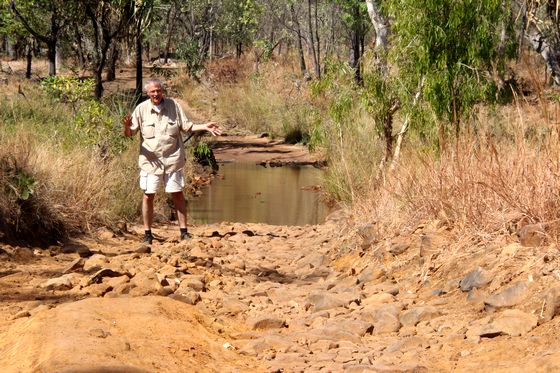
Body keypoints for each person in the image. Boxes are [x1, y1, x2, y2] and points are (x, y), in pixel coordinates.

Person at [123, 79, 221, 244]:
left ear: (162, 91)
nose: (156, 94)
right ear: (148, 93)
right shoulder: (141, 109)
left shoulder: (173, 106)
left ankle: (184, 232)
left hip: (173, 159)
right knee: (148, 196)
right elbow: (129, 133)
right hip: (150, 162)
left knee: (177, 194)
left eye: (159, 91)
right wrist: (126, 126)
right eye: (153, 91)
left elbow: (187, 126)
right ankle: (147, 233)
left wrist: (204, 126)